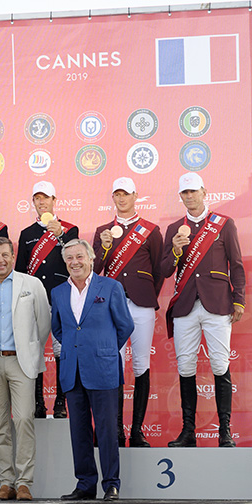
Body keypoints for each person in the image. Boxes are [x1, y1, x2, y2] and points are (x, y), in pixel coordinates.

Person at [162, 172, 246, 448]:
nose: (189, 196)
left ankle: (225, 431)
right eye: (184, 193)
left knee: (220, 365)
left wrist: (239, 299)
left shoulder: (224, 224)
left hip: (218, 303)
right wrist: (174, 251)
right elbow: (164, 270)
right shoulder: (174, 228)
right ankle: (188, 432)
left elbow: (236, 264)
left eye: (193, 191)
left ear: (204, 192)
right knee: (186, 368)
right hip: (186, 305)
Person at [51, 239, 134, 501]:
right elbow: (58, 329)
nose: (75, 262)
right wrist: (79, 349)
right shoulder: (58, 292)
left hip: (103, 368)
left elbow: (125, 326)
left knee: (108, 430)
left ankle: (111, 484)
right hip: (72, 370)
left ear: (90, 258)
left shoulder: (110, 287)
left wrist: (104, 348)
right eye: (69, 259)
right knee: (79, 432)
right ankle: (85, 484)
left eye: (79, 257)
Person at [92, 177, 164, 447]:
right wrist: (105, 246)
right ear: (113, 198)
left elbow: (158, 270)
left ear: (135, 196)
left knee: (141, 364)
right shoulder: (103, 231)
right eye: (117, 195)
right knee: (114, 366)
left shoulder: (150, 230)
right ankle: (116, 431)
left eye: (126, 194)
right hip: (111, 307)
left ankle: (137, 431)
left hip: (142, 305)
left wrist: (145, 293)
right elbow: (95, 269)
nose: (121, 199)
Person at [0, 237, 51, 501]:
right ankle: (6, 483)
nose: (0, 260)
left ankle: (24, 482)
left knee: (23, 419)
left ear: (13, 257)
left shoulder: (31, 284)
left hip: (21, 363)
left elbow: (43, 323)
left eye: (5, 255)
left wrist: (29, 348)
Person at [15, 181, 78, 419]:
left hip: (61, 297)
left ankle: (61, 402)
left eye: (46, 198)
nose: (42, 202)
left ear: (55, 200)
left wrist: (60, 235)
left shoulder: (69, 230)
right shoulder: (27, 234)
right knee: (35, 350)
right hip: (34, 300)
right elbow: (20, 271)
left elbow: (74, 259)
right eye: (37, 199)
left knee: (62, 350)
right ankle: (38, 401)